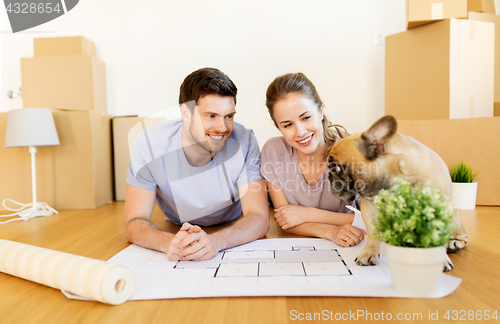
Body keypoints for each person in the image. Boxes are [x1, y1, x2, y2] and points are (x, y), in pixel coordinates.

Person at [124, 67, 269, 261]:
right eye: (211, 116)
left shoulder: (245, 140)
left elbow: (259, 217)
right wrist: (169, 243)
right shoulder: (149, 145)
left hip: (230, 223)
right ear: (186, 113)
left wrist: (217, 241)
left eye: (229, 116)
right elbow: (134, 220)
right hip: (177, 225)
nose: (222, 128)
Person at [261, 72, 365, 247]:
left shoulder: (350, 152)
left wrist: (308, 214)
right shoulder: (273, 152)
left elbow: (374, 221)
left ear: (321, 111)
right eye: (287, 125)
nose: (300, 132)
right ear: (277, 127)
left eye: (306, 117)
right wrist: (330, 231)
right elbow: (287, 221)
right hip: (312, 240)